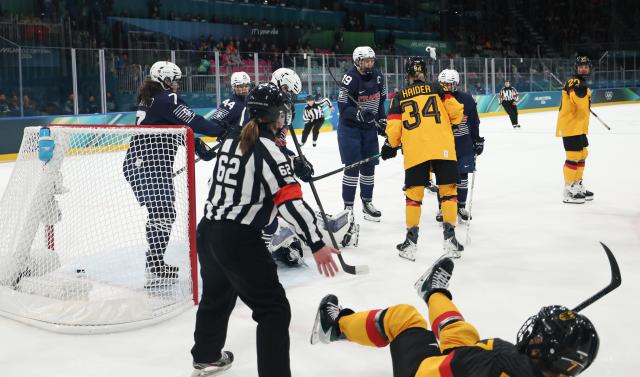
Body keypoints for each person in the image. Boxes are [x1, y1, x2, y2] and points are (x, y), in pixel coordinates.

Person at [190, 82, 340, 377]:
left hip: (208, 232)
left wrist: (293, 161)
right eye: (283, 113)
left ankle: (206, 355)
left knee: (217, 296)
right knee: (274, 310)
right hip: (239, 239)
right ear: (276, 117)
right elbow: (290, 204)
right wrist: (316, 242)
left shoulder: (233, 138)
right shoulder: (269, 150)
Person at [311, 255, 600, 377]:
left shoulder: (494, 359)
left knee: (405, 318)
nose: (533, 335)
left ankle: (334, 327)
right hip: (470, 365)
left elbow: (432, 371)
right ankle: (432, 291)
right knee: (462, 334)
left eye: (540, 335)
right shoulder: (558, 370)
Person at [123, 61, 226, 288]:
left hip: (141, 163)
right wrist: (222, 131)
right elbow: (193, 120)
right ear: (165, 79)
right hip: (150, 166)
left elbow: (168, 128)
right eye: (175, 80)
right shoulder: (166, 98)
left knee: (162, 212)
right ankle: (155, 265)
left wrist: (195, 144)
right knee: (164, 212)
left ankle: (155, 262)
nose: (177, 85)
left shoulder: (150, 99)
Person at [381, 57, 464, 261]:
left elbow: (393, 130)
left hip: (416, 150)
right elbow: (456, 113)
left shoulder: (399, 96)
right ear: (425, 72)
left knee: (413, 196)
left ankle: (410, 243)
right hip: (442, 146)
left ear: (407, 74)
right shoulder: (438, 88)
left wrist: (391, 145)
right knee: (448, 193)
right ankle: (450, 240)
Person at [337, 46, 387, 222]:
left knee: (369, 166)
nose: (369, 64)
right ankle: (348, 209)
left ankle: (367, 203)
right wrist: (358, 114)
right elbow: (343, 107)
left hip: (369, 129)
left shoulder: (379, 76)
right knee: (352, 167)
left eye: (371, 60)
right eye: (365, 61)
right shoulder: (350, 78)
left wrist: (382, 120)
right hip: (350, 130)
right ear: (357, 61)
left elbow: (380, 101)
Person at [436, 69, 484, 223]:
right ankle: (443, 207)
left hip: (463, 143)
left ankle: (461, 206)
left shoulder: (467, 99)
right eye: (443, 84)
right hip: (443, 144)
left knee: (462, 177)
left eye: (450, 84)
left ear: (456, 83)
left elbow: (474, 122)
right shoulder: (436, 98)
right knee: (444, 178)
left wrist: (477, 140)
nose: (447, 87)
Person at [556, 56, 594, 204]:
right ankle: (568, 188)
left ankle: (577, 184)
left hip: (580, 126)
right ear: (576, 68)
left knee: (582, 154)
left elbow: (583, 104)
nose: (583, 68)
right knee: (573, 156)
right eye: (581, 66)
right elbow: (576, 98)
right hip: (570, 126)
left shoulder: (583, 83)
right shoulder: (573, 82)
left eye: (586, 66)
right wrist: (580, 93)